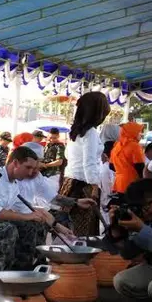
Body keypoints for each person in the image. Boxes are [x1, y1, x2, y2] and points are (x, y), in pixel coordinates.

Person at [60, 91, 111, 236]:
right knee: (83, 231)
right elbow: (88, 163)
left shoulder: (76, 131)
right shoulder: (91, 133)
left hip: (70, 182)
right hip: (83, 185)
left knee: (68, 228)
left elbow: (68, 155)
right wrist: (94, 186)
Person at [111, 122, 146, 194]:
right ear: (133, 132)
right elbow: (140, 167)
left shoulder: (117, 145)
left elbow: (111, 166)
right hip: (132, 183)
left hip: (119, 183)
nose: (141, 134)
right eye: (139, 132)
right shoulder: (135, 146)